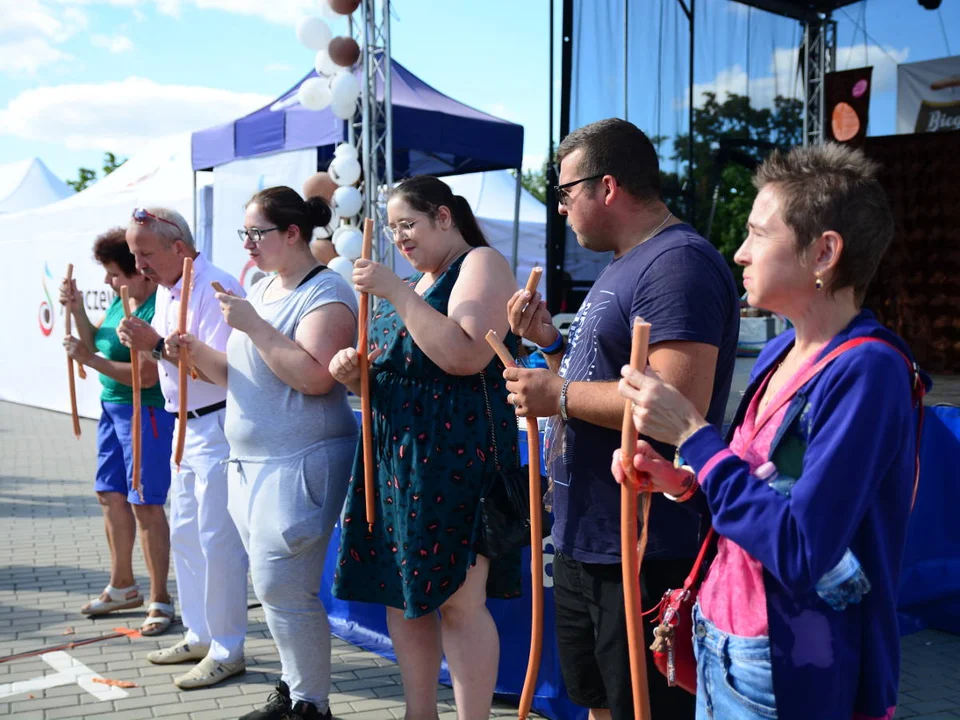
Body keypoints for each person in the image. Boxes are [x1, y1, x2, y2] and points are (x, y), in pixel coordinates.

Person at [616, 143, 927, 720]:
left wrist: (691, 433)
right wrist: (682, 480)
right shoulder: (782, 349)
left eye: (758, 234)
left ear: (824, 253)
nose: (739, 253)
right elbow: (761, 494)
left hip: (789, 664)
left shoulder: (868, 370)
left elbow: (801, 548)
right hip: (721, 636)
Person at [505, 118, 739, 720]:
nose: (560, 209)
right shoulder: (623, 262)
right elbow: (607, 379)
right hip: (590, 537)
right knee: (598, 703)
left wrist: (555, 394)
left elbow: (672, 407)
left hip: (644, 543)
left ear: (606, 187)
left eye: (564, 192)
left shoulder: (679, 263)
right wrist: (552, 345)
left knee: (644, 707)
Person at [328, 176, 521, 720]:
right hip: (398, 463)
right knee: (403, 595)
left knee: (459, 600)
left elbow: (464, 355)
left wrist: (396, 291)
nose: (400, 237)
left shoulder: (480, 263)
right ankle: (419, 713)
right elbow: (396, 372)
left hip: (458, 460)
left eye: (407, 224)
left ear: (443, 216)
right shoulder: (417, 281)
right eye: (392, 229)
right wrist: (353, 374)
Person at [168, 187, 358, 720]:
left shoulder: (326, 291)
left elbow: (317, 379)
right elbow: (240, 377)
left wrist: (252, 324)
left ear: (292, 234)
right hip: (249, 464)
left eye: (257, 233)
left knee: (281, 584)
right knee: (274, 589)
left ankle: (311, 705)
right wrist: (194, 354)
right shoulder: (260, 285)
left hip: (301, 459)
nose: (247, 244)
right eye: (244, 234)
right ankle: (295, 690)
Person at [116, 207, 248, 689]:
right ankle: (200, 632)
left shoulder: (216, 288)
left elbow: (223, 373)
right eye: (134, 252)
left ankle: (228, 646)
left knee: (218, 541)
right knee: (188, 535)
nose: (139, 262)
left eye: (145, 252)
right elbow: (166, 360)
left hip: (215, 426)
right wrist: (149, 345)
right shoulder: (171, 292)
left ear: (178, 246)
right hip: (182, 426)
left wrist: (154, 346)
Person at [59, 227, 176, 636]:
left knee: (146, 503)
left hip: (147, 414)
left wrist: (88, 359)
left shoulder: (154, 309)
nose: (110, 281)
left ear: (141, 272)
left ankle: (160, 597)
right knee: (110, 497)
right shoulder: (118, 302)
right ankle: (123, 585)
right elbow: (96, 341)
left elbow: (146, 377)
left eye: (115, 274)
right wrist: (76, 311)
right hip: (112, 410)